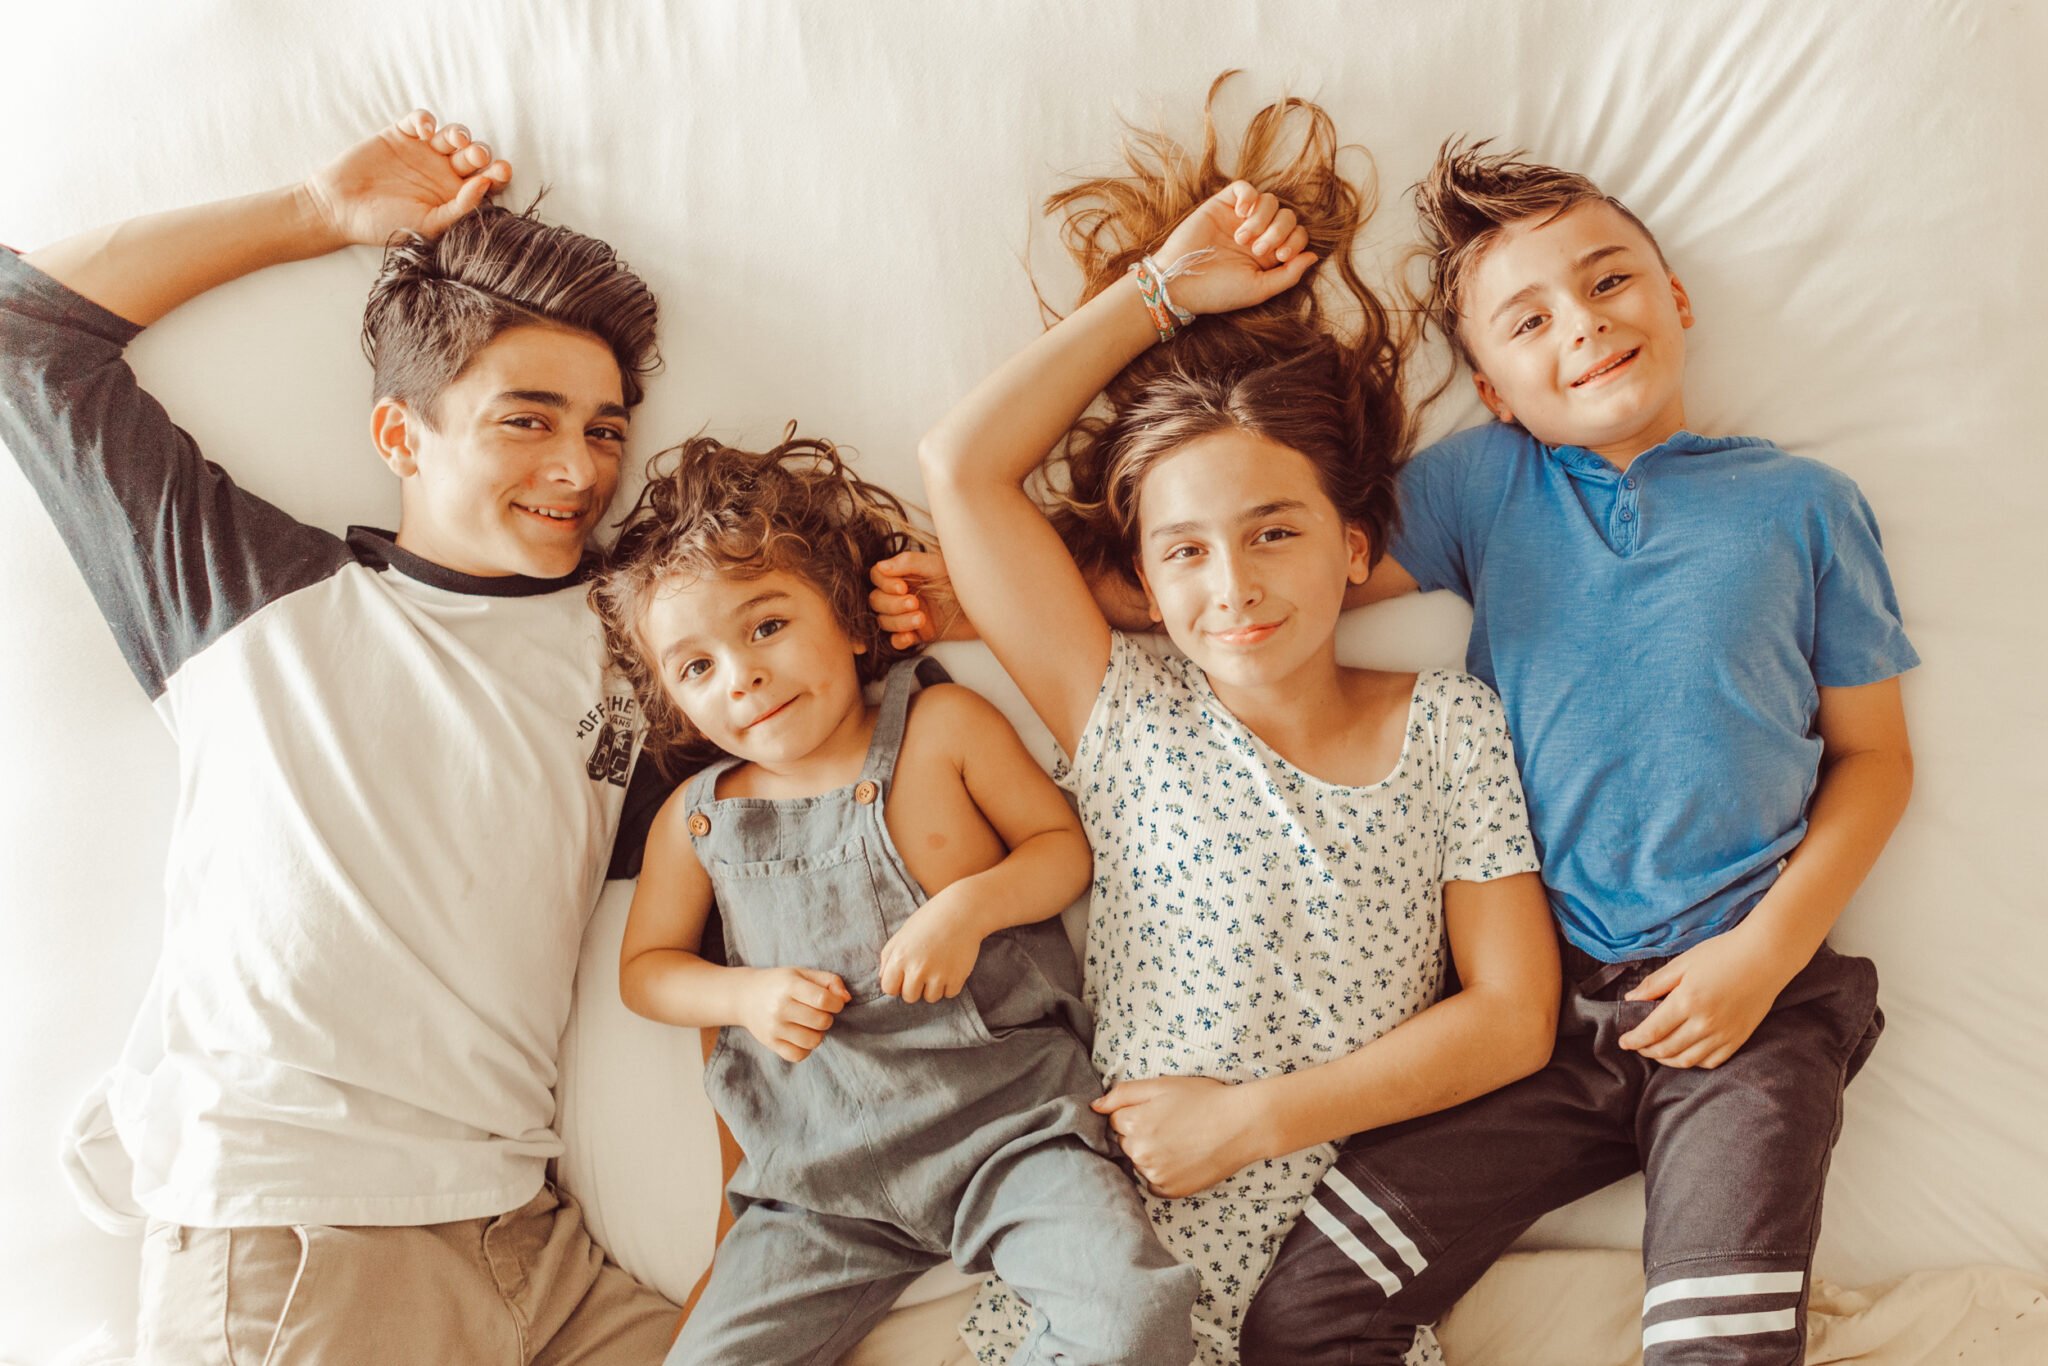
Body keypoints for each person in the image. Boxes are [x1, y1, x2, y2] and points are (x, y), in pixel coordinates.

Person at [894, 87, 1561, 1366]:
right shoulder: (1119, 707)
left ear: (1354, 545)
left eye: (1273, 532)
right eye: (1184, 551)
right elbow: (961, 465)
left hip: (1333, 1286)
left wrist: (1251, 1120)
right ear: (1141, 582)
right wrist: (1161, 288)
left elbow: (1511, 1014)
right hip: (1112, 1278)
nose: (1233, 585)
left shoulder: (1449, 726)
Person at [1, 111, 681, 1361]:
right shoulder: (248, 596)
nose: (579, 468)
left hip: (534, 1243)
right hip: (302, 1232)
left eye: (602, 428)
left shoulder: (638, 651)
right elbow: (22, 323)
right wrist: (314, 212)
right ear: (397, 435)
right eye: (525, 420)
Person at [1234, 142, 1918, 1364]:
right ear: (1492, 388)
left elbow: (1873, 760)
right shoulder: (1481, 487)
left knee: (1716, 1349)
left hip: (1743, 1008)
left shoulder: (1800, 505)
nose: (1584, 326)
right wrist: (971, 607)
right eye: (1529, 319)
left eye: (1609, 283)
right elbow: (1259, 577)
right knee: (1298, 1313)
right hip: (1533, 1014)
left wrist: (1759, 958)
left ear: (1675, 300)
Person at [590, 431, 1200, 1366]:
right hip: (817, 1182)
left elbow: (1062, 850)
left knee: (1130, 1312)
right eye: (696, 667)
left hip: (1012, 1132)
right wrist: (741, 995)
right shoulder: (698, 820)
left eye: (765, 627)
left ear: (845, 615)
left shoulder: (941, 727)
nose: (742, 676)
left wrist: (973, 906)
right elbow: (646, 973)